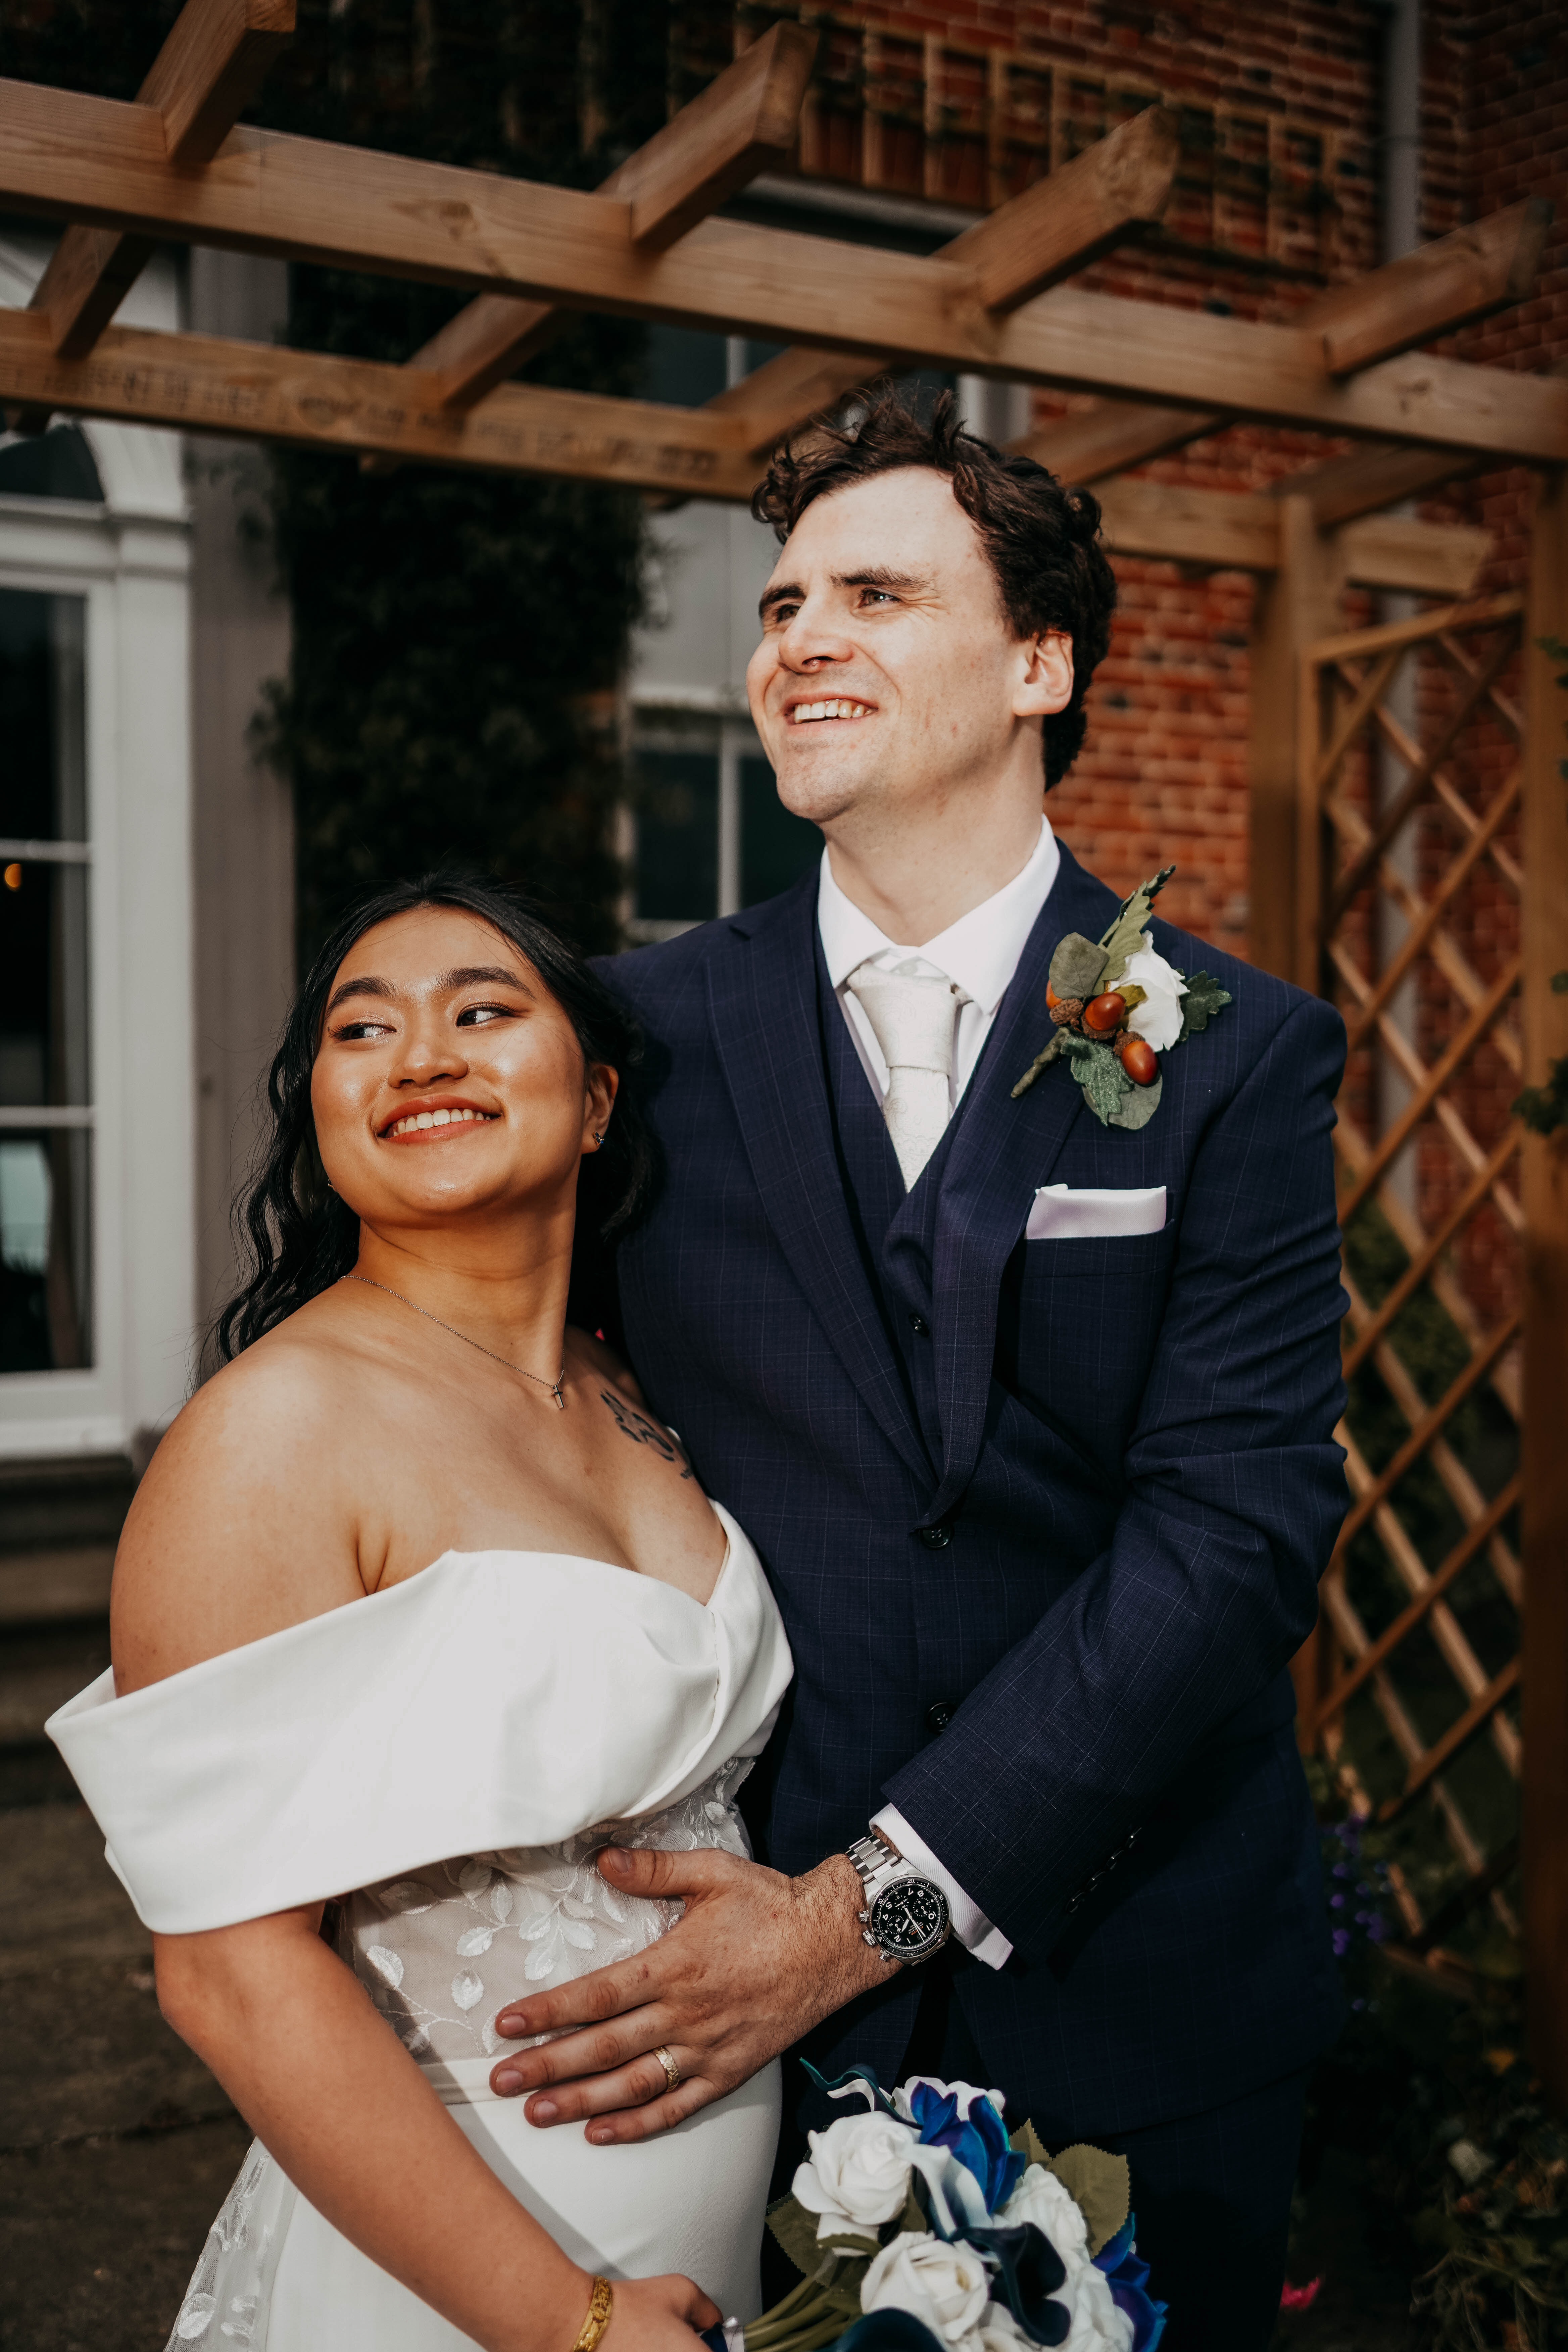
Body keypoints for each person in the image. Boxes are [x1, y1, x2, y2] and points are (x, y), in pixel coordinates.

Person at [481, 387, 1351, 2352]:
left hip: (1149, 1977)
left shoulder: (1227, 1050)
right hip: (734, 1999)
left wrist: (853, 1916)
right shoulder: (640, 1035)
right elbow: (486, 1379)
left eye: (875, 591)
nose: (799, 640)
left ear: (1040, 660)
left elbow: (1233, 1527)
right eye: (783, 603)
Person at [47, 876, 795, 2352]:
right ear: (324, 1118)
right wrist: (564, 2320)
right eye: (361, 1029)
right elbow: (226, 1972)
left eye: (483, 1011)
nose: (421, 1057)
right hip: (456, 2283)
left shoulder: (627, 1386)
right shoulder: (272, 1433)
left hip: (716, 2257)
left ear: (594, 1102)